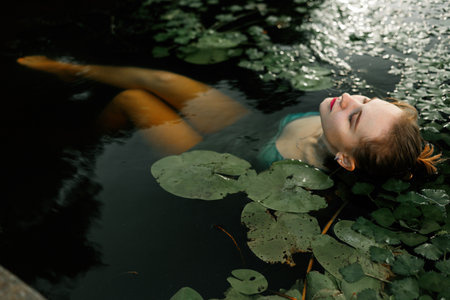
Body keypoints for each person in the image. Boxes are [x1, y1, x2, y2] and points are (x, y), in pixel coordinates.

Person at [17, 56, 442, 179]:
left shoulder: (298, 182)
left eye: (354, 119)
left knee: (134, 99)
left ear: (346, 160)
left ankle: (82, 140)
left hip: (213, 157)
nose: (348, 98)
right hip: (249, 127)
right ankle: (76, 69)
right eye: (364, 100)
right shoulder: (331, 118)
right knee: (160, 77)